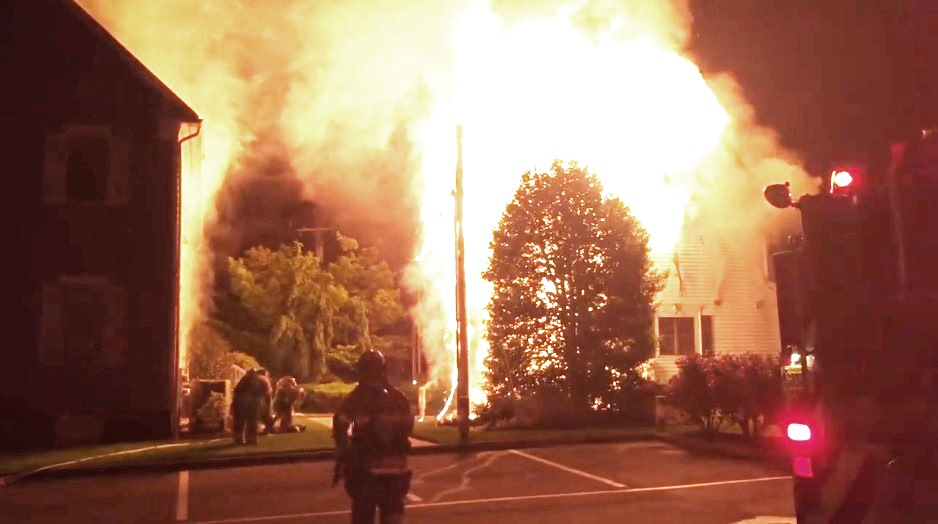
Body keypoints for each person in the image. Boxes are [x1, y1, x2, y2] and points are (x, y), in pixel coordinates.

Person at [333, 350, 414, 524]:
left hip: (365, 465)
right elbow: (408, 426)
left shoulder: (356, 398)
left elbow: (340, 425)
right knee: (393, 512)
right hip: (395, 466)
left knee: (364, 513)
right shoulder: (398, 397)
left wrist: (345, 452)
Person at [231, 368, 272, 445]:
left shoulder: (244, 379)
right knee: (252, 421)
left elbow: (236, 391)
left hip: (239, 401)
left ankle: (238, 438)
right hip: (253, 403)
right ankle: (251, 438)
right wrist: (267, 412)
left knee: (239, 421)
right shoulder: (263, 381)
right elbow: (267, 396)